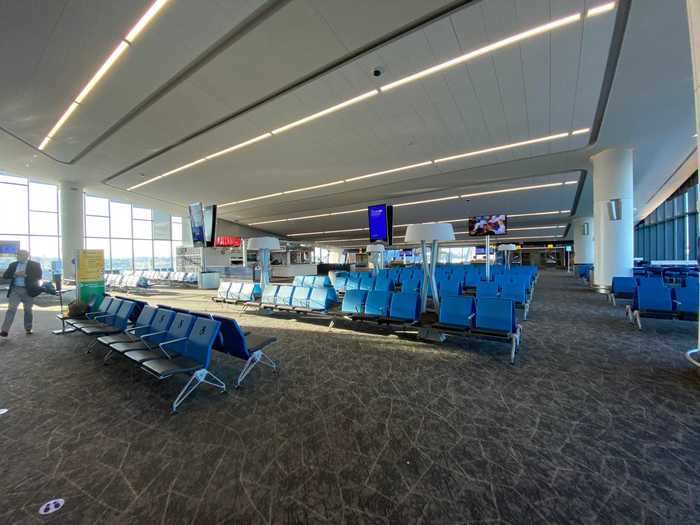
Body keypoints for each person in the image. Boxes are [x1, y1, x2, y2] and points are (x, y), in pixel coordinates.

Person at [1, 250, 43, 336]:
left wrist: (26, 276)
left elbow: (39, 277)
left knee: (28, 310)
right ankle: (4, 330)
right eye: (18, 255)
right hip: (15, 290)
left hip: (28, 290)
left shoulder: (35, 265)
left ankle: (28, 328)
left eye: (21, 255)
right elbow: (5, 276)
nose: (18, 256)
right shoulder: (13, 265)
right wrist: (14, 275)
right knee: (11, 309)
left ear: (27, 256)